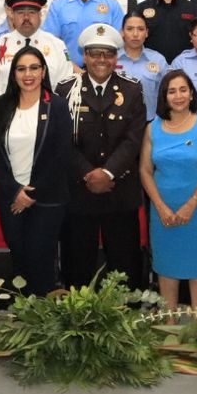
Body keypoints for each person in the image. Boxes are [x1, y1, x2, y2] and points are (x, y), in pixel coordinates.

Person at [54, 24, 146, 287]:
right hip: (79, 192)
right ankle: (79, 321)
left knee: (124, 263)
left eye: (108, 54)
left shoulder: (131, 90)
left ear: (116, 57)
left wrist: (107, 172)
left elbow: (134, 139)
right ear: (84, 56)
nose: (101, 60)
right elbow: (62, 141)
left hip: (119, 190)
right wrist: (88, 173)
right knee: (77, 263)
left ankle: (127, 320)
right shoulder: (65, 90)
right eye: (95, 54)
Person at [0, 46, 71, 295]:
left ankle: (45, 325)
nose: (28, 74)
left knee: (41, 261)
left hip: (47, 199)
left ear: (43, 71)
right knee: (20, 261)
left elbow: (61, 155)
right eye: (21, 68)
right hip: (10, 198)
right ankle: (24, 319)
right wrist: (15, 191)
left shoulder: (56, 105)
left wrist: (30, 195)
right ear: (13, 74)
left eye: (34, 67)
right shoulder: (2, 105)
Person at [139, 69, 197, 309]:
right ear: (164, 97)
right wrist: (161, 207)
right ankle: (170, 321)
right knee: (166, 266)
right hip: (162, 208)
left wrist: (191, 204)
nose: (178, 96)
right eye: (171, 91)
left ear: (192, 94)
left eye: (183, 90)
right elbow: (145, 170)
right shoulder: (152, 128)